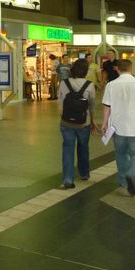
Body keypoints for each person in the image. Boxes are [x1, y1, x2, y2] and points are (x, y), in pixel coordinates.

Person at [102, 59, 135, 196]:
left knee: (120, 153)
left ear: (117, 69)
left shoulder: (111, 85)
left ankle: (123, 181)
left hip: (118, 126)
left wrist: (104, 123)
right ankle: (131, 173)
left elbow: (107, 106)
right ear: (132, 69)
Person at [57, 59, 98, 189]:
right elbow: (91, 106)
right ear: (86, 71)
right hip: (83, 123)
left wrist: (64, 117)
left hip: (66, 123)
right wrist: (93, 121)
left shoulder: (64, 83)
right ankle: (84, 173)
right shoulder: (89, 85)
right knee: (83, 147)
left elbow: (60, 103)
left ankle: (68, 179)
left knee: (68, 149)